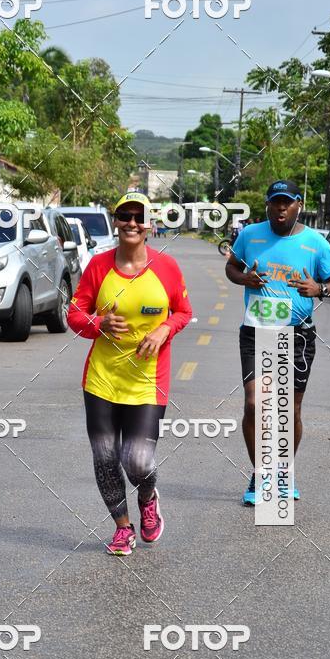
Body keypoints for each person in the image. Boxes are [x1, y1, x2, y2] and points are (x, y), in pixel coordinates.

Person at [67, 191, 192, 555]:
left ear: (150, 225)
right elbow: (74, 314)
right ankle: (123, 528)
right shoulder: (98, 266)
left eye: (139, 217)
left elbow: (183, 312)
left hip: (148, 382)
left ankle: (148, 497)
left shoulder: (166, 268)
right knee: (105, 456)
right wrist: (98, 323)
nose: (132, 223)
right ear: (116, 221)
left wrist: (163, 330)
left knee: (137, 459)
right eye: (125, 216)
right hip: (102, 379)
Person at [225, 179, 330, 505]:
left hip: (298, 334)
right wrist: (244, 278)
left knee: (289, 409)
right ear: (267, 205)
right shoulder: (250, 235)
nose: (281, 208)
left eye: (287, 202)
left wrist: (320, 289)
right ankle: (261, 473)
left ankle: (283, 472)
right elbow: (231, 267)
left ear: (298, 205)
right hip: (256, 331)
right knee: (254, 404)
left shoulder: (315, 242)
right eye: (275, 202)